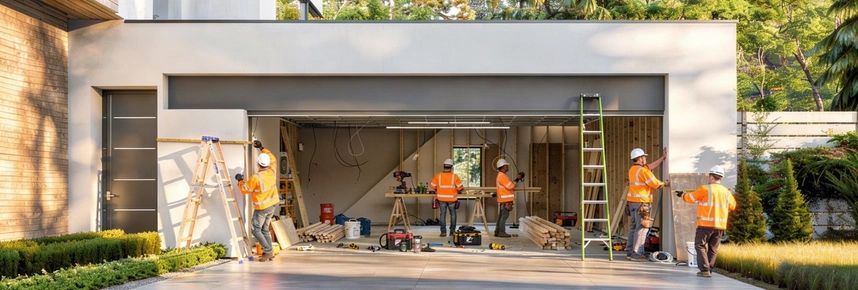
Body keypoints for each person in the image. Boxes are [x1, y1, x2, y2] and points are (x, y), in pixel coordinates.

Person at [676, 165, 736, 278]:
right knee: (713, 248)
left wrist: (682, 195)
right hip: (720, 226)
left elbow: (690, 198)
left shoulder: (705, 189)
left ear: (712, 177)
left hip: (705, 224)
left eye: (709, 176)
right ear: (720, 178)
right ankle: (709, 269)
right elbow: (733, 206)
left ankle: (704, 269)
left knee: (700, 245)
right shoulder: (727, 192)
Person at [235, 140, 279, 262]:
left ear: (258, 164)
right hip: (272, 205)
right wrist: (262, 147)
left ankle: (268, 251)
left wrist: (240, 180)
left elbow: (244, 190)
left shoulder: (256, 178)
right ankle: (269, 251)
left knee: (255, 229)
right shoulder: (272, 170)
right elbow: (273, 158)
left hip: (262, 208)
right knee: (264, 229)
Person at [626, 147, 669, 261]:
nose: (645, 158)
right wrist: (665, 184)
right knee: (642, 228)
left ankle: (630, 252)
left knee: (634, 227)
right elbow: (655, 184)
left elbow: (651, 166)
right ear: (640, 159)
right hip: (642, 203)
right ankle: (637, 253)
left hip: (632, 203)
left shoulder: (633, 169)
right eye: (644, 157)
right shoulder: (643, 171)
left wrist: (662, 158)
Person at [429, 158, 464, 237]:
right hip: (452, 199)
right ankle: (452, 232)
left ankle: (443, 232)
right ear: (451, 167)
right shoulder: (454, 177)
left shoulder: (438, 176)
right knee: (453, 215)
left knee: (442, 215)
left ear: (444, 166)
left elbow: (433, 186)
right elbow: (460, 188)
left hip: (441, 199)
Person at [495, 159, 524, 238]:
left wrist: (517, 179)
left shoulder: (500, 175)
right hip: (505, 200)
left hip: (503, 200)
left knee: (501, 216)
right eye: (506, 166)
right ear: (504, 166)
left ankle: (497, 231)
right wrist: (517, 178)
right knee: (504, 216)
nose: (507, 167)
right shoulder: (503, 176)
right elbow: (510, 186)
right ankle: (501, 232)